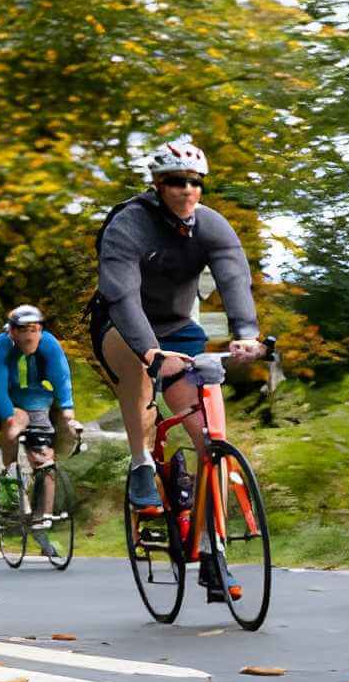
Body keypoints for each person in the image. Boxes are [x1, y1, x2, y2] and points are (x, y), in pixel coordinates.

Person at [92, 137, 264, 600]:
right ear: (157, 184)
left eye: (194, 182)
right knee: (138, 366)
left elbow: (233, 278)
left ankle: (214, 553)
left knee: (212, 435)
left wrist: (246, 332)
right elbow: (122, 297)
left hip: (178, 326)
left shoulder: (212, 226)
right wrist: (152, 353)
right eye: (175, 182)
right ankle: (141, 463)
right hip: (122, 326)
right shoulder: (130, 225)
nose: (186, 190)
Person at [0, 304, 80, 557]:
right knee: (14, 424)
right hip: (8, 401)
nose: (30, 336)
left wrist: (68, 411)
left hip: (38, 401)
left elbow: (61, 375)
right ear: (12, 332)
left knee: (44, 459)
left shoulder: (49, 344)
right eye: (23, 330)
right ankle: (10, 474)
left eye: (34, 329)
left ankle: (41, 518)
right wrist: (9, 419)